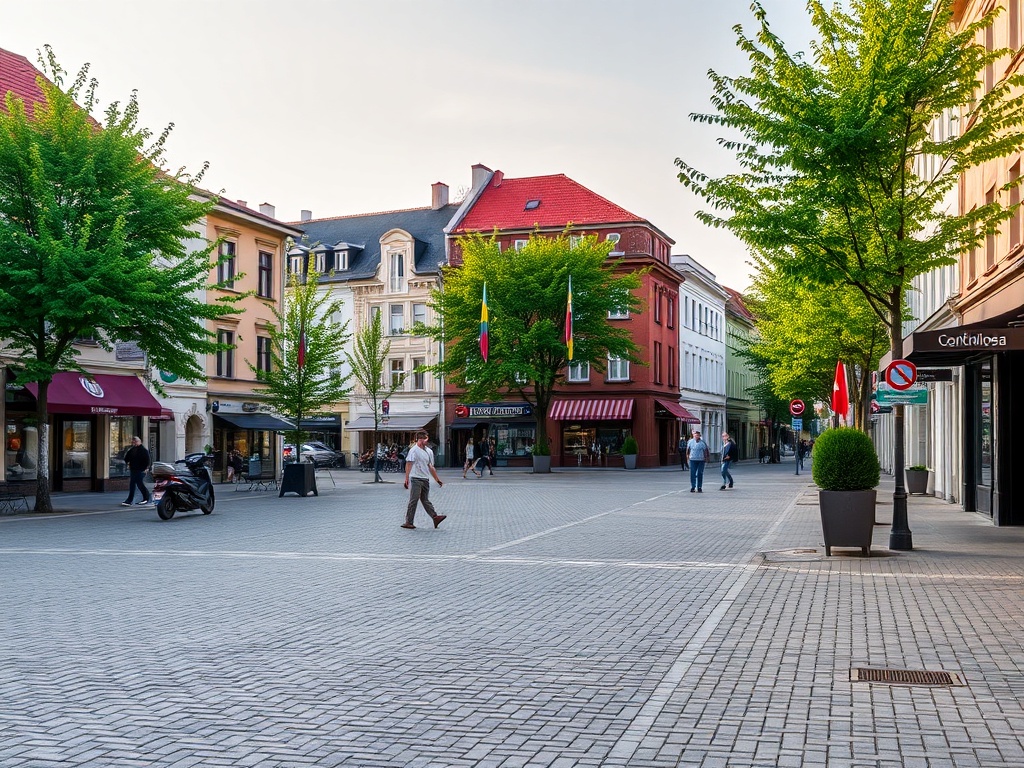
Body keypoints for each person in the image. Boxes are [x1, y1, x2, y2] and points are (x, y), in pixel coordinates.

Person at [402, 430, 445, 530]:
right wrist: (406, 478)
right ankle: (409, 521)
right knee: (414, 499)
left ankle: (435, 517)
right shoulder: (414, 450)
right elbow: (409, 464)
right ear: (420, 440)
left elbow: (431, 467)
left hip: (425, 479)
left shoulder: (429, 451)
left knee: (425, 499)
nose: (427, 441)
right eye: (426, 439)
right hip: (416, 478)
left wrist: (437, 479)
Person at [121, 436, 152, 506]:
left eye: (136, 441)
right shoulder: (132, 450)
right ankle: (131, 500)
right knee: (133, 485)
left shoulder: (143, 450)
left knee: (139, 484)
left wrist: (146, 468)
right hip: (134, 469)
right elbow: (126, 458)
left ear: (140, 441)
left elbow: (147, 460)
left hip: (141, 470)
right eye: (133, 442)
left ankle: (145, 498)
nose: (134, 443)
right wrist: (127, 462)